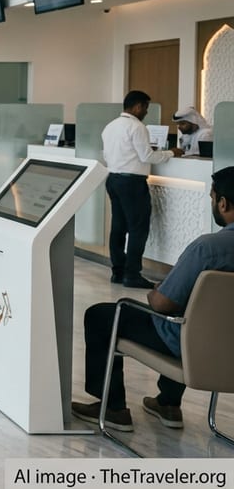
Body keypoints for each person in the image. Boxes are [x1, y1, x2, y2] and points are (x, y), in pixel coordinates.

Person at [71, 166, 234, 433]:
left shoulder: (207, 248)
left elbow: (161, 304)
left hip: (192, 344)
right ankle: (167, 403)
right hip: (227, 346)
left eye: (212, 199)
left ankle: (113, 408)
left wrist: (158, 290)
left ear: (223, 203)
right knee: (192, 316)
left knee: (101, 316)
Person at [102, 91, 184, 289]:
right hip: (132, 183)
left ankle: (118, 272)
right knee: (138, 229)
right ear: (137, 106)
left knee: (118, 228)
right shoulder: (137, 127)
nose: (146, 112)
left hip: (113, 179)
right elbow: (147, 156)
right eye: (146, 107)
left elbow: (108, 154)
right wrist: (171, 152)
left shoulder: (110, 126)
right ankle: (132, 275)